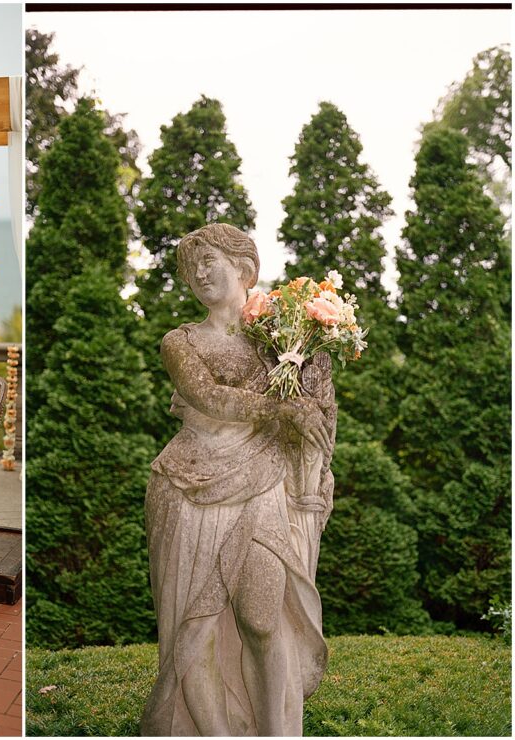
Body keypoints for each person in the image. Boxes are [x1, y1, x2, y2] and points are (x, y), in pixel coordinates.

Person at [140, 223, 336, 737]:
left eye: (211, 260)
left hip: (264, 482)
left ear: (245, 268)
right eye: (192, 266)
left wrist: (311, 383)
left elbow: (317, 410)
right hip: (187, 487)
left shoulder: (285, 338)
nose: (200, 272)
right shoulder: (179, 341)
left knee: (262, 617)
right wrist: (282, 407)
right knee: (194, 632)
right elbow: (207, 397)